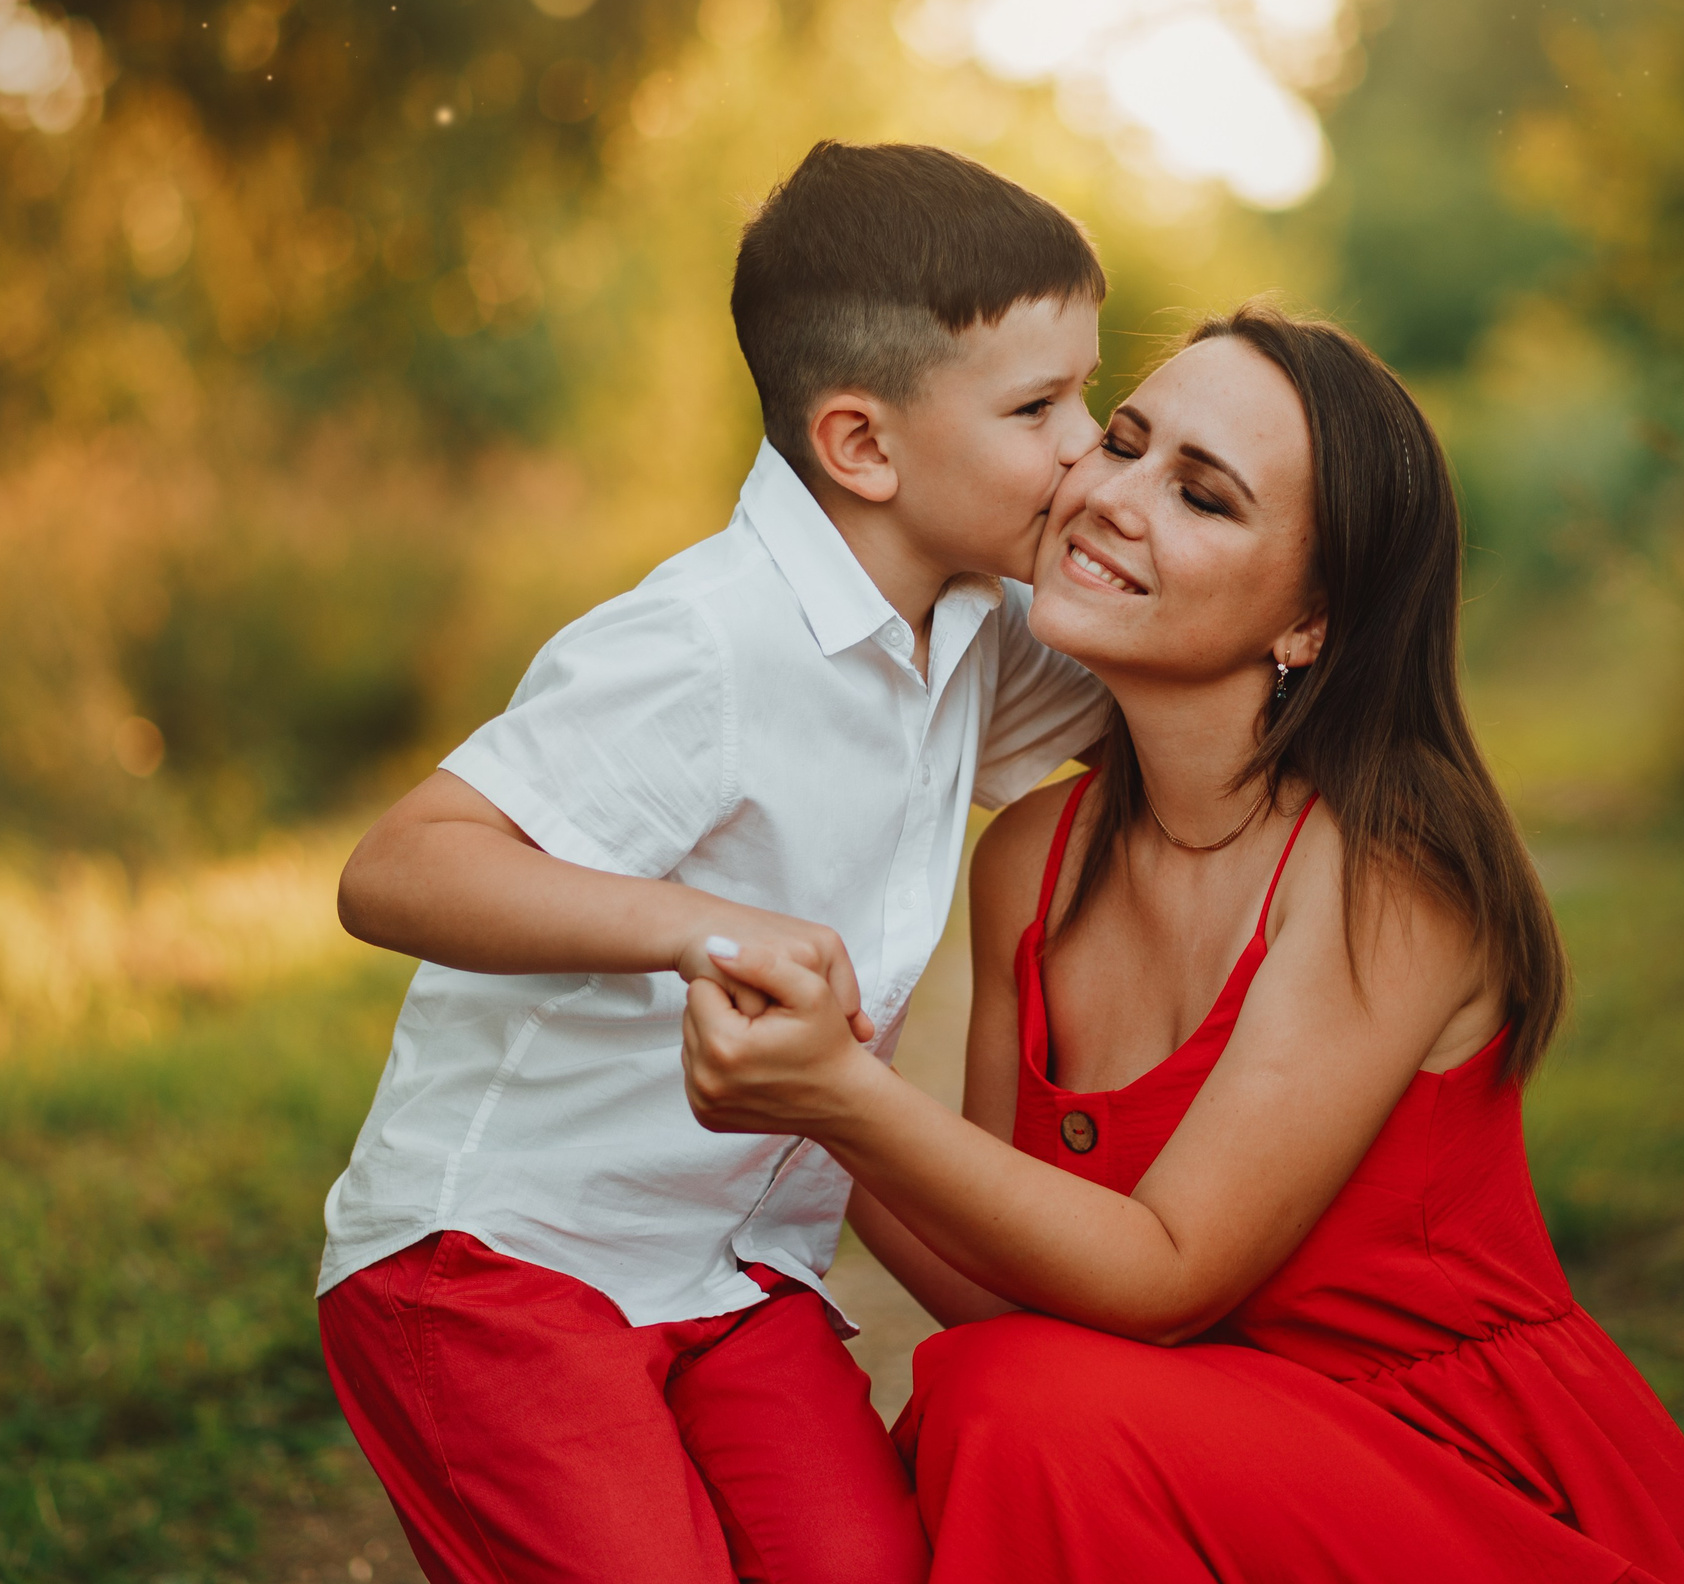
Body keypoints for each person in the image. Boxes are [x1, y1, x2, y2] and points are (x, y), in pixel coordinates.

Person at [682, 305, 1684, 1584]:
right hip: (1199, 1448)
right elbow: (1012, 1291)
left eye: (1203, 496)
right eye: (1121, 443)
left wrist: (841, 1097)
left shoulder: (1384, 873)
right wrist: (808, 1101)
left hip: (1470, 1480)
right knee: (996, 1389)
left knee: (1011, 1405)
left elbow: (1163, 1276)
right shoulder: (1035, 860)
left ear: (1312, 622)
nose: (1113, 496)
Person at [317, 141, 1116, 1584]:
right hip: (503, 1259)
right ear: (863, 446)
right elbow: (399, 868)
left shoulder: (971, 635)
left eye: (1091, 394)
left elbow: (1163, 688)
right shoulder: (705, 641)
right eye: (1039, 407)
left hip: (732, 1273)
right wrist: (701, 926)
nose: (1086, 444)